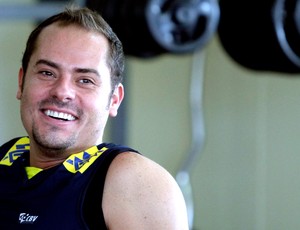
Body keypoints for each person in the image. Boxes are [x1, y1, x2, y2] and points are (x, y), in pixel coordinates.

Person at [0, 5, 189, 230]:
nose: (62, 92)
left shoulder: (137, 184)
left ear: (114, 99)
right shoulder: (6, 160)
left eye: (85, 80)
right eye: (47, 73)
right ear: (21, 82)